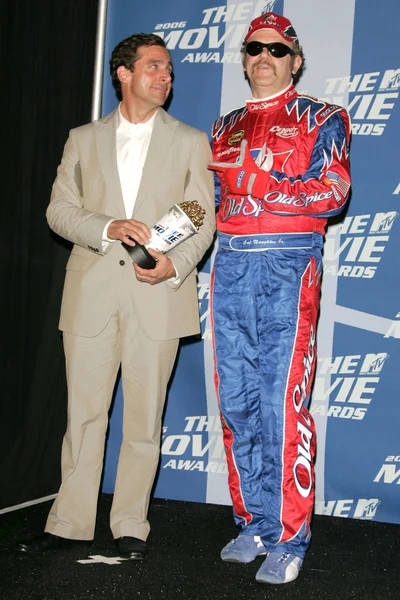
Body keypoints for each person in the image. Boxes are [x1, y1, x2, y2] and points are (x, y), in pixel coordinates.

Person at [16, 33, 215, 559]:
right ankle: (69, 522)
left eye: (168, 69)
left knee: (145, 420)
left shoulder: (192, 140)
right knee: (83, 415)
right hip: (93, 292)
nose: (165, 77)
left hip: (159, 293)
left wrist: (175, 263)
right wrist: (108, 226)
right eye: (153, 67)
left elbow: (202, 217)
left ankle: (130, 524)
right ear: (123, 74)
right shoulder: (82, 139)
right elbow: (59, 211)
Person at [208, 12, 351, 584]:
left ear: (294, 60)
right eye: (253, 48)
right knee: (237, 402)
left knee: (279, 402)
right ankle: (253, 522)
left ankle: (290, 537)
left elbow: (334, 192)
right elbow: (217, 200)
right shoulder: (226, 125)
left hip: (289, 263)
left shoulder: (324, 115)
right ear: (243, 59)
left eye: (276, 48)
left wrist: (263, 180)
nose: (263, 56)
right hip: (232, 265)